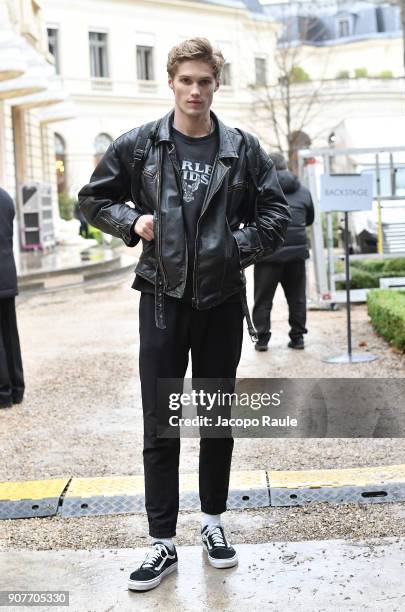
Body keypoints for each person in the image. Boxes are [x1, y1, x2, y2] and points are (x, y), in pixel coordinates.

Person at [78, 37, 290, 592]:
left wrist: (232, 247)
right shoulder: (142, 145)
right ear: (170, 82)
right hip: (161, 301)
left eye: (205, 81)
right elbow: (92, 199)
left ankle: (214, 524)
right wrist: (131, 222)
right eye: (186, 80)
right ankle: (162, 542)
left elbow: (276, 214)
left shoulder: (242, 148)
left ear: (216, 85)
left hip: (221, 301)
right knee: (160, 422)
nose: (195, 90)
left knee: (216, 419)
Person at [253, 152, 314, 351]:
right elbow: (310, 219)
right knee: (297, 298)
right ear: (286, 166)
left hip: (268, 255)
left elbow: (250, 218)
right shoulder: (303, 191)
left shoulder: (259, 189)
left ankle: (262, 339)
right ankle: (298, 338)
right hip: (296, 256)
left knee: (263, 300)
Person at [0, 188, 25, 408]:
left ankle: (3, 393)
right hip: (7, 273)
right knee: (10, 335)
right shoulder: (6, 197)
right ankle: (17, 388)